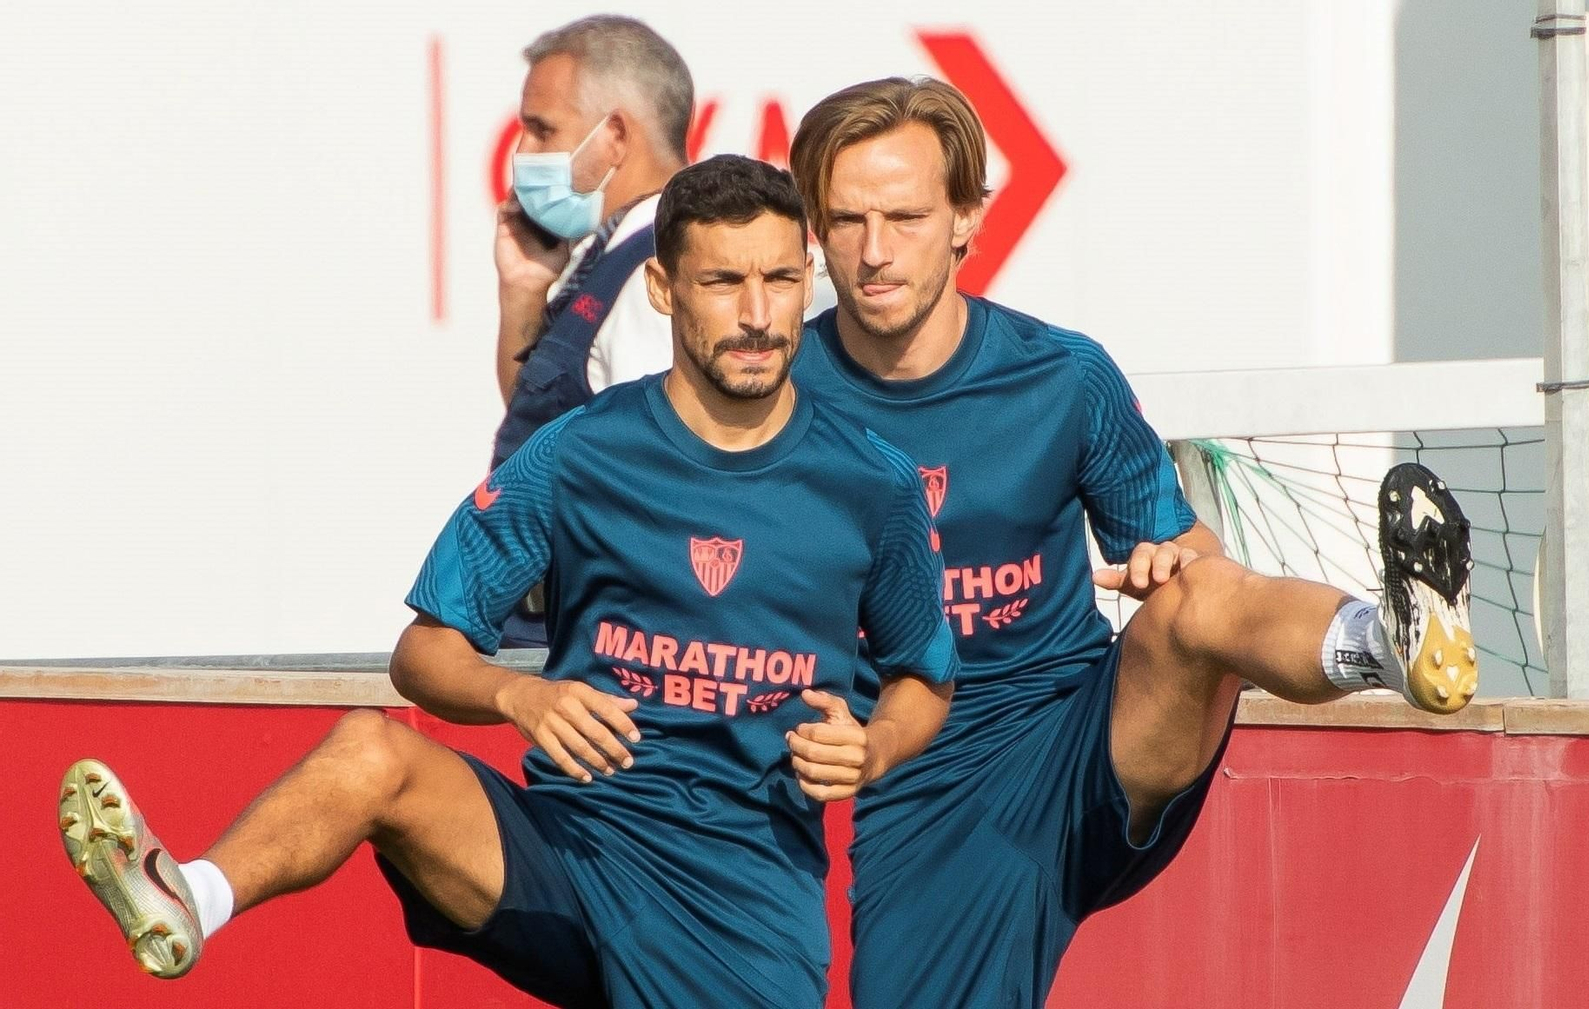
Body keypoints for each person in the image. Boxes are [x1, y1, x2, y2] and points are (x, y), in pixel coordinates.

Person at [58, 155, 958, 1009]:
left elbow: (926, 677)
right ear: (663, 287)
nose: (758, 313)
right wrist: (517, 696)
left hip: (742, 901)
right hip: (573, 846)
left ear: (809, 280)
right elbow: (426, 650)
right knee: (372, 751)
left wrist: (873, 748)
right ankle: (190, 896)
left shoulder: (872, 482)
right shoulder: (580, 452)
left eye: (780, 280)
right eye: (724, 282)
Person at [786, 77, 1478, 1009]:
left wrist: (1167, 560)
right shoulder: (773, 396)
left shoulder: (1061, 374)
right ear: (813, 231)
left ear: (965, 220)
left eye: (905, 217)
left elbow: (1192, 553)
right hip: (915, 772)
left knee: (1197, 594)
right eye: (845, 221)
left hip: (1078, 735)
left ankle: (1386, 640)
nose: (874, 253)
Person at [494, 15, 691, 647]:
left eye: (542, 129)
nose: (522, 153)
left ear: (613, 136)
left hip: (594, 656)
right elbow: (546, 414)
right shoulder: (614, 254)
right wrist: (525, 288)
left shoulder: (658, 276)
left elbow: (660, 488)